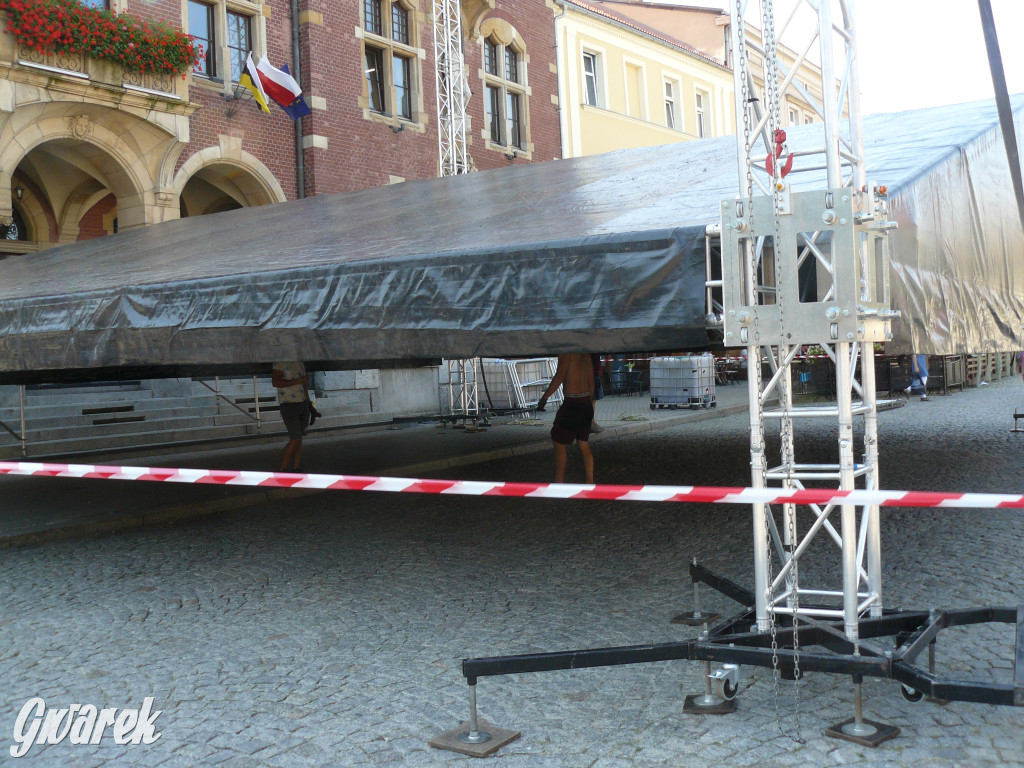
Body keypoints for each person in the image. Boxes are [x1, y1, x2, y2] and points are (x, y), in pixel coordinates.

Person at [536, 353, 595, 483]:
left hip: (572, 403)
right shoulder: (586, 353)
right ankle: (590, 481)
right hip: (586, 402)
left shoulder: (566, 351)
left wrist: (544, 398)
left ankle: (559, 482)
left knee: (558, 441)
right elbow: (591, 381)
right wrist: (590, 404)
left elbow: (560, 375)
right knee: (583, 442)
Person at [272, 361, 311, 471]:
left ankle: (296, 467)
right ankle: (283, 468)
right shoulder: (280, 362)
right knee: (296, 437)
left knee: (299, 437)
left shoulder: (300, 362)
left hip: (302, 402)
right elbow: (275, 382)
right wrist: (298, 381)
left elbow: (304, 385)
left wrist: (309, 404)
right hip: (288, 404)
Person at [590, 353, 605, 433]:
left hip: (595, 375)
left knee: (593, 401)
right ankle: (591, 423)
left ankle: (593, 422)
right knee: (592, 401)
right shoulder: (592, 352)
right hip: (593, 375)